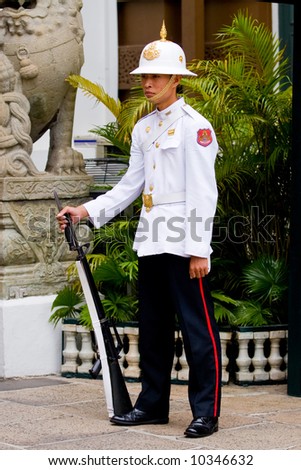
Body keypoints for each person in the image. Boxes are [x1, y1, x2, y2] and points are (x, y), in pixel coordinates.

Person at [57, 22, 222, 438]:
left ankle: (206, 412)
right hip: (151, 238)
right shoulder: (145, 128)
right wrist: (87, 211)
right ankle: (152, 405)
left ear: (175, 80)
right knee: (152, 330)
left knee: (197, 329)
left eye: (155, 76)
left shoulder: (195, 127)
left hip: (184, 240)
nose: (146, 83)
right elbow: (130, 185)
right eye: (143, 77)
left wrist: (200, 249)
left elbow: (205, 193)